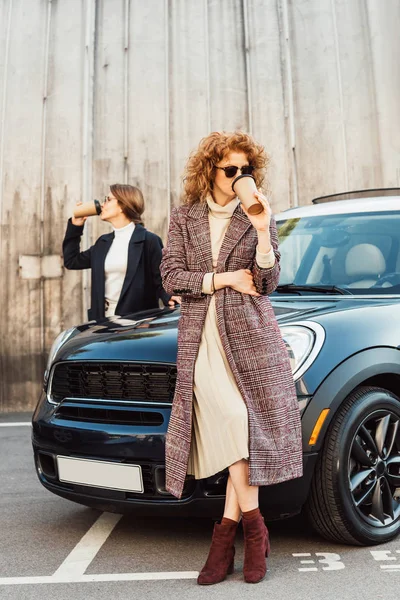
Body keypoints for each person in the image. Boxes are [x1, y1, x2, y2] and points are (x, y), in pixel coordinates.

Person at [160, 131, 302, 585]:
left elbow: (267, 281)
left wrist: (261, 229)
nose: (239, 177)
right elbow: (171, 275)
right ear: (210, 171)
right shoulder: (184, 217)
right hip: (202, 340)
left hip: (252, 340)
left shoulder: (258, 213)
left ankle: (224, 539)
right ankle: (256, 530)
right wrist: (221, 279)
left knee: (241, 430)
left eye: (246, 170)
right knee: (232, 422)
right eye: (230, 170)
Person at [63, 183, 179, 320]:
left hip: (136, 326)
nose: (102, 204)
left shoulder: (149, 241)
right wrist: (76, 226)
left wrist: (170, 296)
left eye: (108, 199)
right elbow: (72, 261)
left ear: (123, 206)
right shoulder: (103, 243)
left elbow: (161, 281)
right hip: (102, 323)